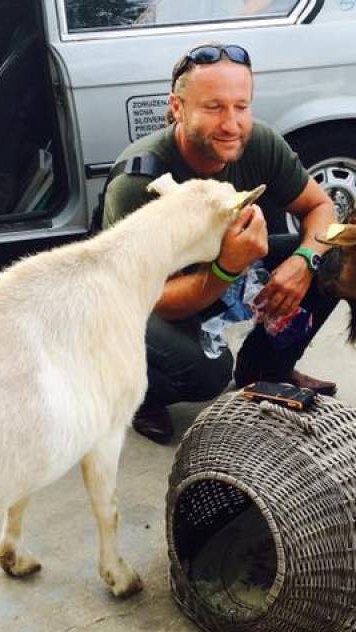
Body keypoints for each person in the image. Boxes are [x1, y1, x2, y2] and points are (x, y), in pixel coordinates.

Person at [102, 43, 339, 443]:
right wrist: (227, 268)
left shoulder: (259, 142)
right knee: (205, 374)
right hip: (132, 305)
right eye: (213, 107)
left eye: (241, 106)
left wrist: (303, 262)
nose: (231, 124)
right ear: (177, 108)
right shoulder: (138, 181)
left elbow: (321, 207)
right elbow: (153, 298)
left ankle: (265, 370)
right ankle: (136, 393)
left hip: (218, 269)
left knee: (340, 259)